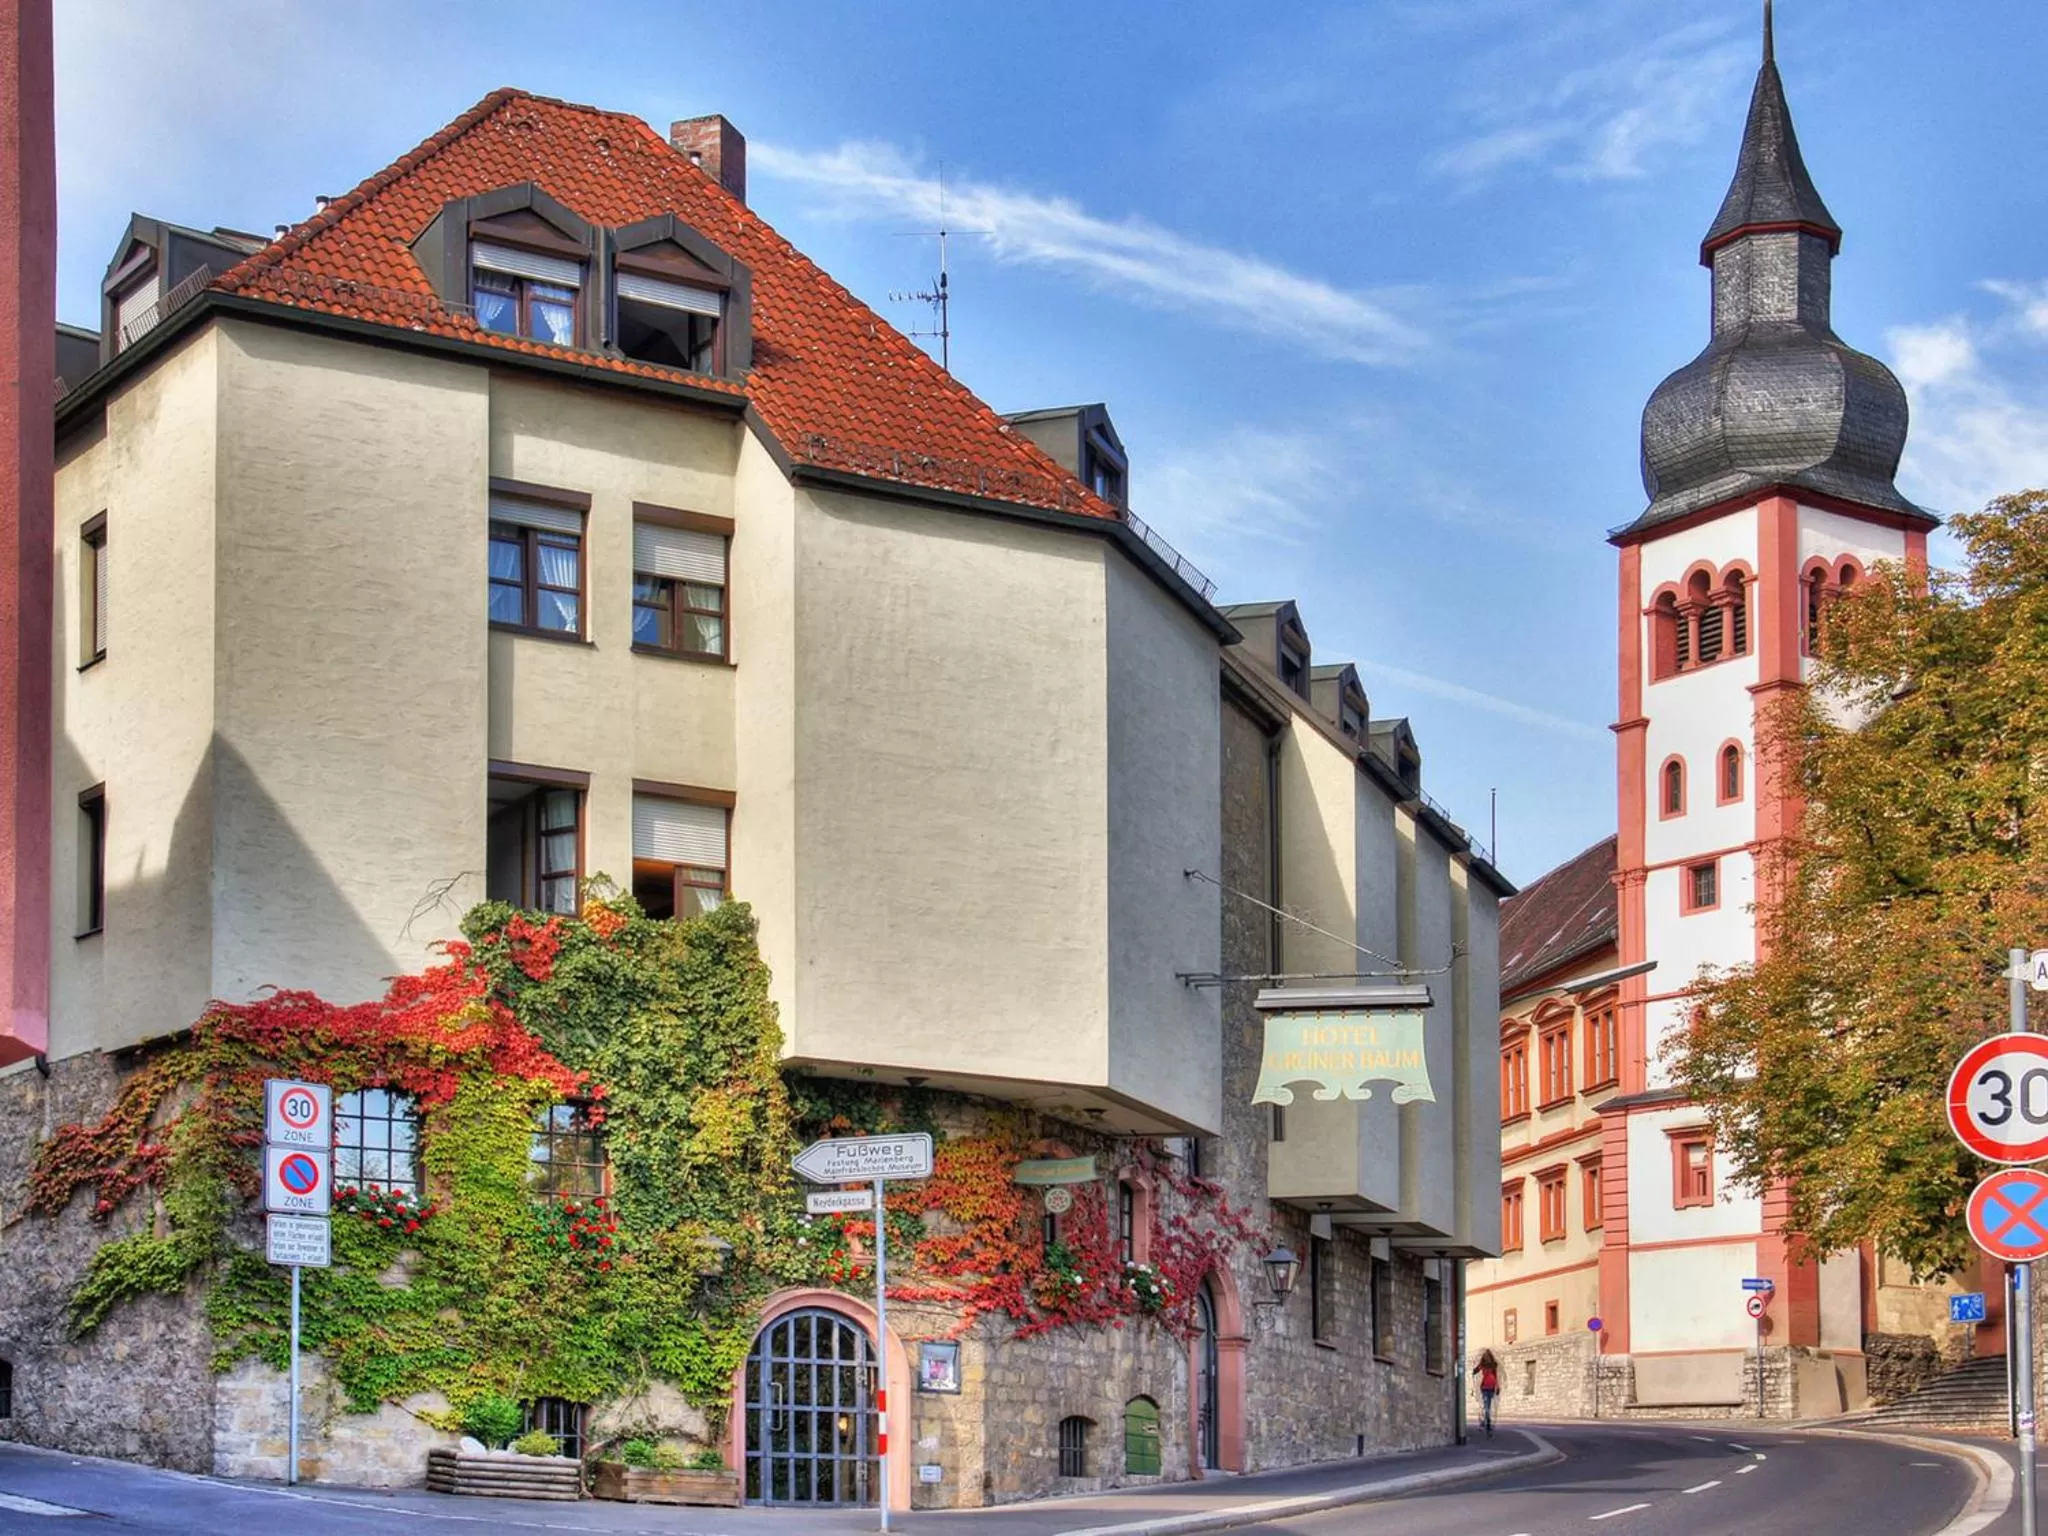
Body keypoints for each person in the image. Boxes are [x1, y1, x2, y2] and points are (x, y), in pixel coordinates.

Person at [1472, 1349, 1500, 1436]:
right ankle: (1487, 1421)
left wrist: (1474, 1370)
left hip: (1485, 1387)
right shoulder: (1492, 1365)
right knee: (1487, 1405)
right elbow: (1495, 1377)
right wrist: (1497, 1387)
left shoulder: (1484, 1365)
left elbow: (1475, 1371)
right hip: (1490, 1387)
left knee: (1486, 1405)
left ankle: (1486, 1421)